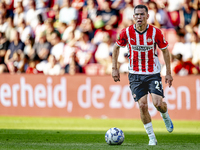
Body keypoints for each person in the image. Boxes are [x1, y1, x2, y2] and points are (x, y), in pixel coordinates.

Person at [112, 5, 174, 146]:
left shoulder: (155, 32)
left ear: (147, 16)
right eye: (137, 15)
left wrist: (168, 73)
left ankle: (164, 114)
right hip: (135, 74)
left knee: (158, 103)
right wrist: (114, 68)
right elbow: (116, 48)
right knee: (142, 105)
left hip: (152, 73)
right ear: (133, 17)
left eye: (142, 14)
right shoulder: (126, 32)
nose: (139, 17)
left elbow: (165, 51)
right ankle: (152, 138)